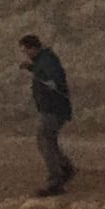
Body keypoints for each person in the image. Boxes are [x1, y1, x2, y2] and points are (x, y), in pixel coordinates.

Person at [18, 33, 77, 195]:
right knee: (48, 139)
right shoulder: (44, 59)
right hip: (52, 108)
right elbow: (43, 71)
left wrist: (50, 84)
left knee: (44, 140)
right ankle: (65, 167)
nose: (26, 54)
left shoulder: (47, 60)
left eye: (26, 51)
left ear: (33, 48)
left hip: (53, 109)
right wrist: (31, 68)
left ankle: (56, 179)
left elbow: (53, 77)